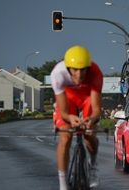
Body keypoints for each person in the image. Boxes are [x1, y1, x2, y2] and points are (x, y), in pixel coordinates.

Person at [51, 45, 103, 190]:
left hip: (87, 97)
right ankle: (63, 184)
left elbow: (96, 109)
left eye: (83, 70)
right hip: (68, 98)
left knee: (89, 134)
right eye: (75, 70)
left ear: (88, 67)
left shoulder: (96, 72)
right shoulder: (58, 73)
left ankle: (93, 166)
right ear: (67, 68)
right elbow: (64, 112)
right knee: (65, 136)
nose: (79, 75)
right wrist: (70, 118)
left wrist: (91, 120)